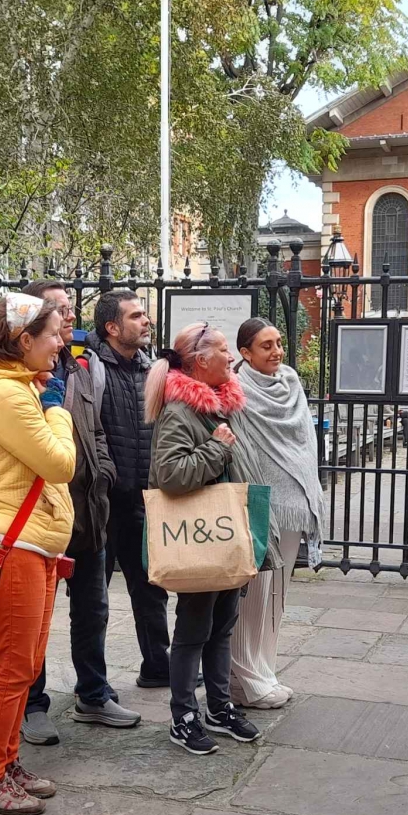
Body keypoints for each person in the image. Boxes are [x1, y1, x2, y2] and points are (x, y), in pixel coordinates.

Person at [0, 293, 75, 815]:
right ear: (24, 341)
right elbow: (60, 463)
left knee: (25, 667)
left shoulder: (19, 388)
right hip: (16, 544)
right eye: (52, 335)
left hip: (37, 545)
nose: (61, 341)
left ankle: (5, 763)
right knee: (12, 667)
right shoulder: (9, 396)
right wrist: (57, 413)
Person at [19, 281, 140, 746]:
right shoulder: (20, 375)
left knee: (94, 607)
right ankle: (32, 703)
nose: (69, 317)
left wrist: (104, 472)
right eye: (59, 309)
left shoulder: (83, 364)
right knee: (36, 615)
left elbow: (99, 430)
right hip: (44, 512)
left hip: (89, 507)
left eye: (71, 308)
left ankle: (93, 693)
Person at [145, 322, 267, 755]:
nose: (231, 358)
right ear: (200, 361)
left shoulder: (216, 406)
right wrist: (217, 447)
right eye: (221, 350)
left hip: (224, 534)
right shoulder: (182, 411)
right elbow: (170, 476)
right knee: (194, 630)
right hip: (201, 536)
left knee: (222, 626)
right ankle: (184, 716)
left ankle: (218, 707)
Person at [228, 318, 323, 709]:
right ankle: (244, 679)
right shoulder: (234, 389)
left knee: (277, 598)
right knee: (254, 594)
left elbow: (303, 442)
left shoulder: (291, 382)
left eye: (279, 343)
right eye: (266, 346)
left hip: (294, 504)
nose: (277, 352)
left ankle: (265, 671)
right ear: (245, 353)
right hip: (258, 502)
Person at [88, 290, 172, 687]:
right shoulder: (88, 368)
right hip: (102, 504)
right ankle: (94, 684)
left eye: (145, 315)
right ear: (112, 327)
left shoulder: (151, 369)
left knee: (152, 589)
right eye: (137, 316)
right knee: (94, 600)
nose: (146, 321)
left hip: (143, 498)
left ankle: (158, 666)